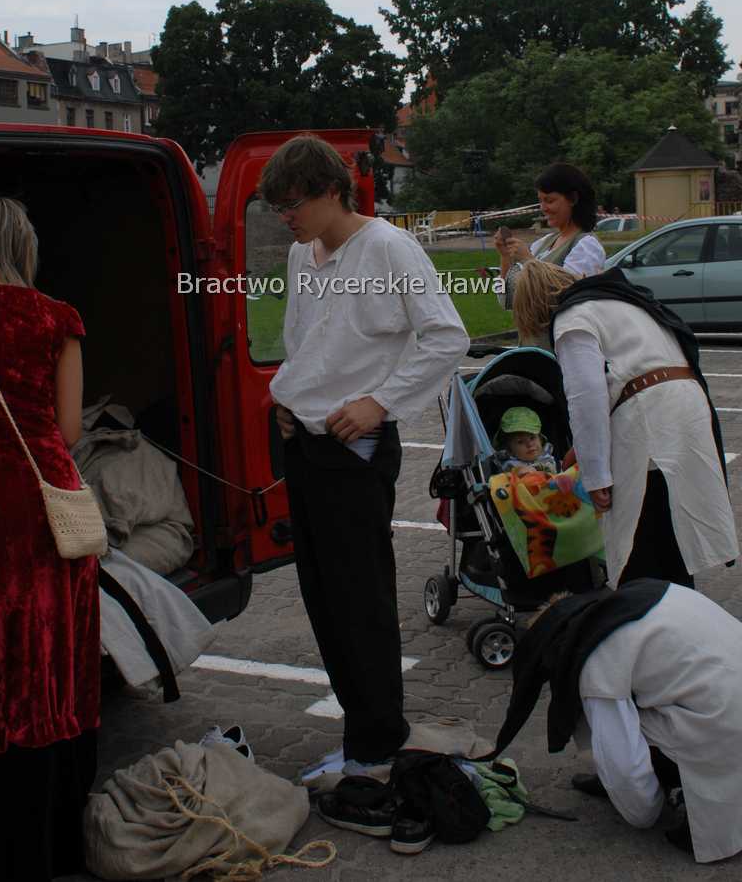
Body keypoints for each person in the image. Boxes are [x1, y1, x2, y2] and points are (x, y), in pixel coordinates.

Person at [259, 136, 469, 777]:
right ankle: (363, 737)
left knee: (361, 600)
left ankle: (378, 742)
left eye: (293, 204)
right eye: (277, 207)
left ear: (332, 191)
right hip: (304, 442)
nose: (286, 218)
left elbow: (446, 336)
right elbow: (305, 340)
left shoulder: (387, 246)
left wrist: (381, 402)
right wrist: (287, 397)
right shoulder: (300, 254)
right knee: (324, 598)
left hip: (356, 448)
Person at [0, 195, 101, 882]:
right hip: (49, 496)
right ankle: (55, 840)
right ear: (23, 245)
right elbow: (68, 429)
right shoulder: (57, 317)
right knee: (49, 655)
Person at [512, 259, 739, 588]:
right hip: (686, 409)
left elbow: (586, 399)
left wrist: (596, 477)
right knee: (672, 534)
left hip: (648, 420)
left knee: (641, 543)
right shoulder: (623, 301)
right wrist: (585, 450)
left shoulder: (572, 319)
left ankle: (652, 612)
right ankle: (679, 605)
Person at [484, 582, 742, 864]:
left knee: (613, 722)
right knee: (624, 700)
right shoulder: (632, 600)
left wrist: (642, 811)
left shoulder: (596, 657)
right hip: (724, 682)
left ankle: (687, 800)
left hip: (725, 718)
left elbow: (623, 764)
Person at [495, 163, 605, 348]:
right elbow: (507, 301)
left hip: (563, 351)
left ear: (573, 198)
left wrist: (528, 261)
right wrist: (505, 258)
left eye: (550, 200)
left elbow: (567, 298)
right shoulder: (542, 244)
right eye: (541, 200)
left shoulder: (587, 246)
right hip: (531, 349)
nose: (543, 207)